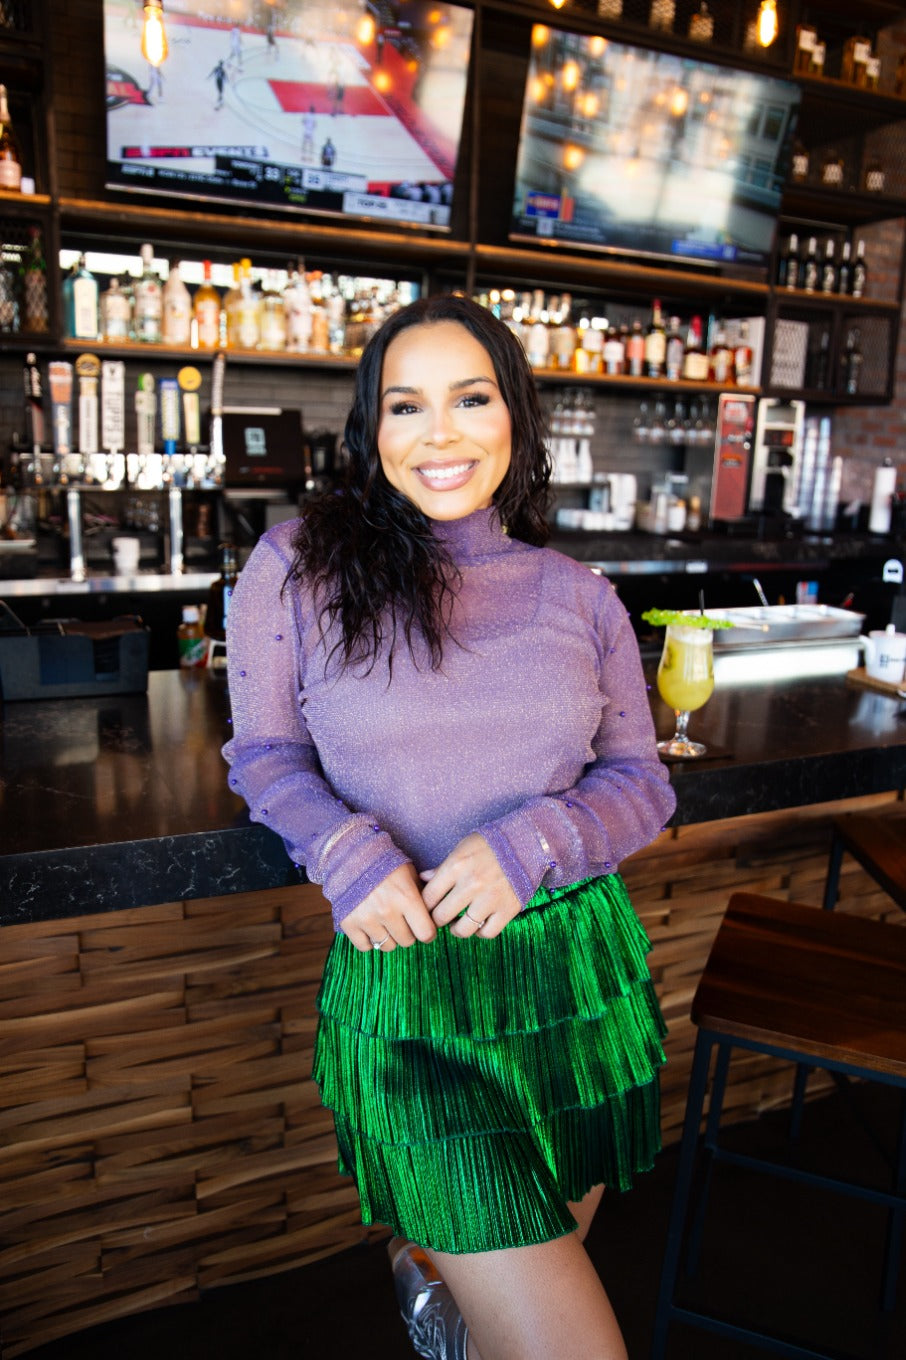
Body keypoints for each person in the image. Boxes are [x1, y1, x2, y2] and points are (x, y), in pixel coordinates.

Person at [223, 294, 676, 1360]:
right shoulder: (295, 567)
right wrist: (344, 853)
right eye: (405, 405)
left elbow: (641, 783)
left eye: (471, 398)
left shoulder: (579, 593)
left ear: (513, 414)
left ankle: (437, 1308)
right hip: (412, 992)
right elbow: (266, 757)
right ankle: (432, 1284)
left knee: (505, 1320)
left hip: (576, 983)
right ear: (370, 432)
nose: (440, 433)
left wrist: (536, 843)